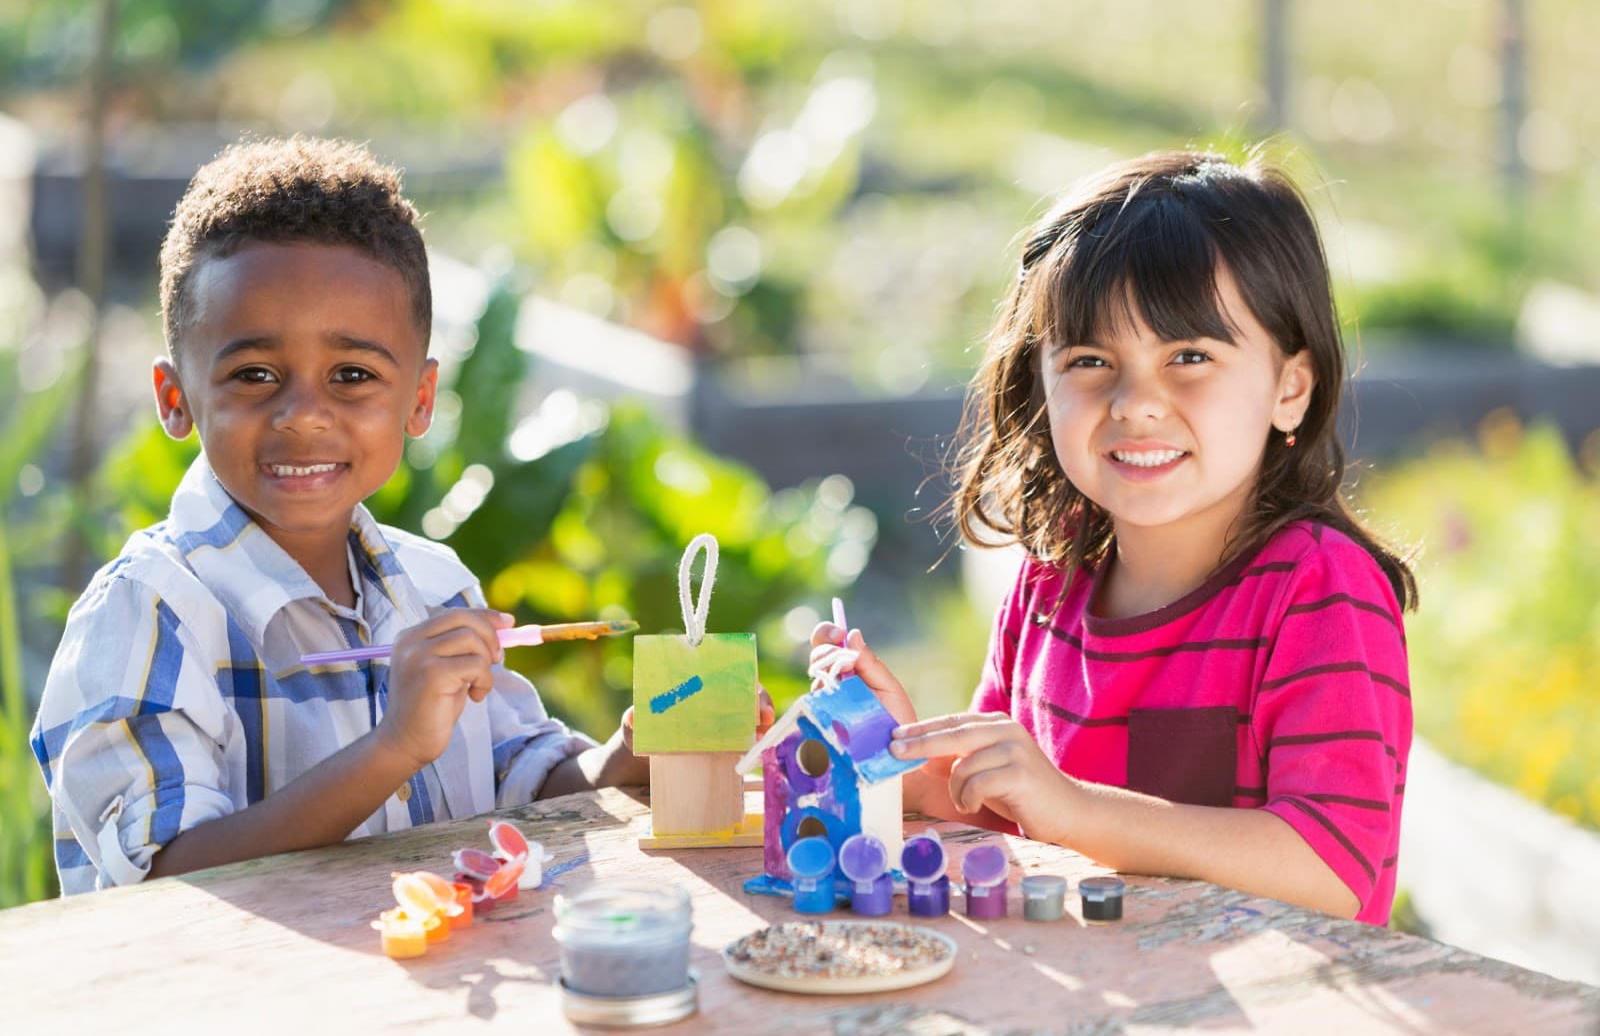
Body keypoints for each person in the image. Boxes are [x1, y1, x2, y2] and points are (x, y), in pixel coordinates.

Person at [32, 137, 709, 894]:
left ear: (419, 401)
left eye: (353, 375)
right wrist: (393, 748)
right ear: (175, 399)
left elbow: (525, 779)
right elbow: (163, 880)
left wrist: (627, 753)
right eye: (254, 375)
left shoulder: (435, 585)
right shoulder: (149, 613)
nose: (304, 416)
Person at [814, 149, 1416, 924]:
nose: (1136, 403)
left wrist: (1077, 808)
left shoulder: (1320, 590)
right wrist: (905, 754)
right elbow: (1009, 818)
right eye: (1092, 360)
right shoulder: (1047, 588)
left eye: (1189, 356)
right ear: (1041, 382)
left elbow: (1330, 868)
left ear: (1290, 389)